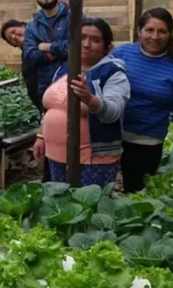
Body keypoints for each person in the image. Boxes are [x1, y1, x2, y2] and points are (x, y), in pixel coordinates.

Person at [112, 7, 173, 192]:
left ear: (170, 34)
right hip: (110, 136)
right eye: (149, 30)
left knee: (136, 195)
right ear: (139, 31)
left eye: (162, 31)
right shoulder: (122, 54)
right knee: (102, 191)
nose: (155, 37)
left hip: (146, 143)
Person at [32, 18, 130, 187]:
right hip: (56, 154)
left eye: (95, 40)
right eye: (82, 38)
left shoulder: (112, 72)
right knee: (61, 200)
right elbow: (50, 107)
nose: (86, 44)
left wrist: (90, 99)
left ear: (106, 47)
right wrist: (41, 136)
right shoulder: (64, 68)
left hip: (94, 159)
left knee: (88, 201)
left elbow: (114, 111)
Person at [1, 18, 49, 183]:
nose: (14, 37)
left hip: (50, 100)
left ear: (25, 27)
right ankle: (49, 179)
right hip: (42, 102)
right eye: (10, 39)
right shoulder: (27, 52)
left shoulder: (41, 44)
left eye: (14, 32)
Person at [23, 0, 83, 106]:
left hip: (74, 84)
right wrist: (56, 53)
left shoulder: (74, 17)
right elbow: (29, 56)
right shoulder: (32, 27)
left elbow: (78, 47)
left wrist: (49, 47)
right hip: (46, 87)